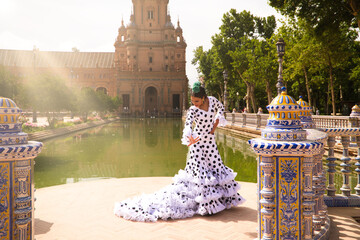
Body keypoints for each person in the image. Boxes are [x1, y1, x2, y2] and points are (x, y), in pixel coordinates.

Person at [114, 81, 244, 222]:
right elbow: (188, 124)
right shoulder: (193, 110)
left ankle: (220, 201)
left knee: (216, 168)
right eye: (192, 101)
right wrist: (191, 138)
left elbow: (221, 108)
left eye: (196, 101)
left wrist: (215, 126)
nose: (194, 104)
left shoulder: (212, 101)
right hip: (198, 145)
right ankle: (206, 205)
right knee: (200, 173)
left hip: (211, 143)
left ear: (204, 98)